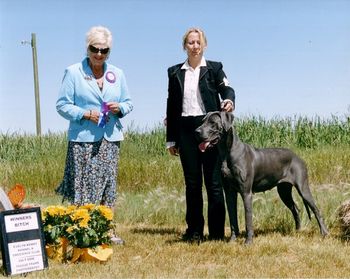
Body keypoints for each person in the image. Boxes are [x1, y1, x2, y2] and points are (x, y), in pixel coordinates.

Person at [56, 26, 133, 244]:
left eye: (104, 50)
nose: (99, 54)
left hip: (111, 139)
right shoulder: (73, 72)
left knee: (109, 185)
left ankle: (107, 231)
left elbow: (129, 102)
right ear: (87, 48)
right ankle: (82, 231)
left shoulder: (117, 74)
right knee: (83, 186)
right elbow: (62, 105)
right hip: (83, 140)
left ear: (109, 51)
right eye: (95, 49)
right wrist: (85, 113)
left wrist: (120, 108)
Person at [166, 27, 235, 242]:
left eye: (198, 42)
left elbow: (227, 89)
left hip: (209, 128)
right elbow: (171, 106)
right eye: (190, 43)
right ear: (184, 46)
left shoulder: (215, 68)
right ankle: (194, 231)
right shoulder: (175, 72)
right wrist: (171, 138)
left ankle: (216, 233)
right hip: (186, 129)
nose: (194, 46)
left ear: (204, 45)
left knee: (214, 183)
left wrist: (229, 100)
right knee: (192, 183)